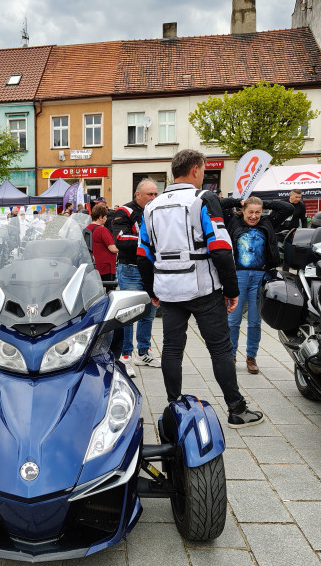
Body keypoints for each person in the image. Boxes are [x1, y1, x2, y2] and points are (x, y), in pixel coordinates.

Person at [137, 149, 263, 429]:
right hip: (203, 288)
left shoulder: (151, 207)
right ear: (195, 170)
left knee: (171, 349)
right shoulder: (202, 199)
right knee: (219, 349)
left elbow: (142, 255)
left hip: (168, 289)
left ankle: (173, 408)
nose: (203, 175)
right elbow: (220, 249)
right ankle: (236, 409)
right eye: (204, 171)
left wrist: (152, 291)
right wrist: (231, 289)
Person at [220, 194, 293, 374]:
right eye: (250, 212)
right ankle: (231, 356)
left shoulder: (267, 222)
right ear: (242, 211)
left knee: (255, 321)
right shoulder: (233, 222)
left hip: (260, 276)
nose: (254, 216)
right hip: (238, 276)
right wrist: (239, 201)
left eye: (258, 212)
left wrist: (262, 203)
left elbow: (288, 208)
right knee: (233, 320)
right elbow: (219, 204)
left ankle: (251, 357)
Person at [112, 179, 160, 375]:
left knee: (149, 312)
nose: (154, 198)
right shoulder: (124, 211)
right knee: (129, 314)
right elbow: (121, 240)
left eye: (156, 194)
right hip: (130, 269)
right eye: (150, 194)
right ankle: (125, 356)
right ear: (137, 195)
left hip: (151, 269)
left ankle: (143, 351)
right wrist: (149, 242)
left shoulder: (157, 210)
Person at [86, 204, 118, 282]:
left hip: (93, 266)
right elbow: (113, 249)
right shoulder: (102, 230)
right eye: (105, 216)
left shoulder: (87, 228)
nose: (106, 219)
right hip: (105, 267)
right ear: (100, 217)